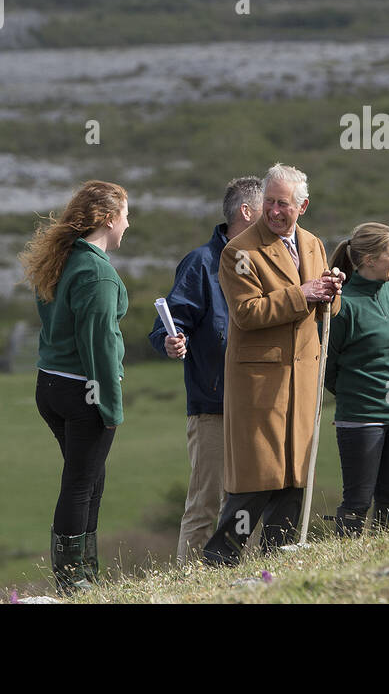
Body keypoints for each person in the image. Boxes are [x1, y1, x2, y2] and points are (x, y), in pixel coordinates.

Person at [202, 163, 344, 566]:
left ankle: (277, 563)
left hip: (303, 381)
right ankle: (222, 557)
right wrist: (303, 293)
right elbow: (246, 313)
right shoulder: (239, 251)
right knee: (257, 479)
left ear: (303, 206)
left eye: (283, 203)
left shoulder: (314, 244)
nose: (275, 211)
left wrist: (332, 292)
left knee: (295, 477)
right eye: (269, 202)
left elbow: (325, 307)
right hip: (261, 386)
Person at [20, 180, 133, 595]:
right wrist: (112, 408)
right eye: (124, 213)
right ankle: (75, 581)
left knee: (88, 477)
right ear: (107, 218)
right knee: (81, 482)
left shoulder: (63, 258)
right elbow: (99, 345)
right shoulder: (98, 273)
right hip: (83, 390)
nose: (128, 222)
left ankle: (84, 574)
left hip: (49, 385)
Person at [147, 177, 263, 564]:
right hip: (214, 406)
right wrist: (170, 338)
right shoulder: (201, 263)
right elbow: (168, 323)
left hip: (261, 405)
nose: (279, 214)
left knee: (249, 501)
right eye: (271, 206)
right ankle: (191, 581)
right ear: (246, 212)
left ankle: (238, 575)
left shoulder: (273, 259)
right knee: (206, 502)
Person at [324, 222, 389, 536]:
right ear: (369, 260)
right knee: (358, 501)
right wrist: (357, 394)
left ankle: (385, 558)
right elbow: (328, 365)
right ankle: (345, 565)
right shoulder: (343, 304)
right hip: (361, 417)